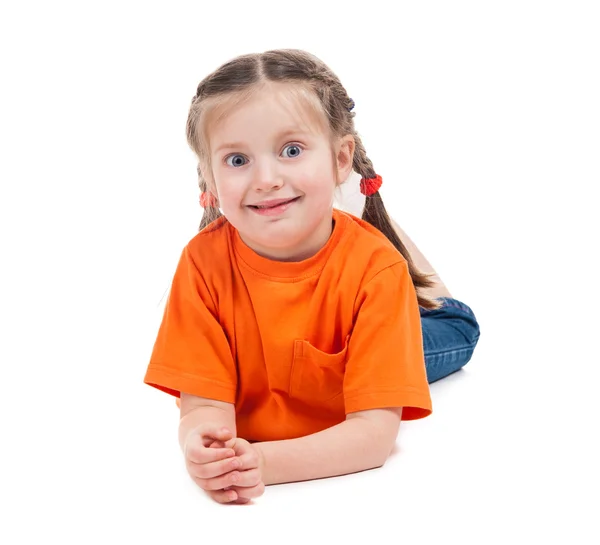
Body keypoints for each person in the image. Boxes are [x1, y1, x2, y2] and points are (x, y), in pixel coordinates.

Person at [143, 48, 481, 505]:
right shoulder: (202, 264)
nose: (266, 179)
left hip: (398, 329)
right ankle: (330, 209)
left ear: (342, 159)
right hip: (333, 337)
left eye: (292, 151)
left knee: (457, 325)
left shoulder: (377, 270)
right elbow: (202, 405)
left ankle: (394, 245)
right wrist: (205, 446)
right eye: (237, 160)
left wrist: (261, 464)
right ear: (207, 179)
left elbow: (373, 436)